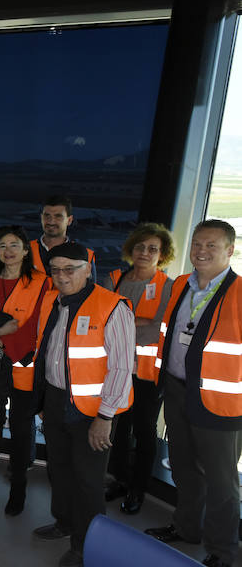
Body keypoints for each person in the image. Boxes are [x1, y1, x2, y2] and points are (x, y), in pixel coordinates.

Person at [144, 220, 242, 567]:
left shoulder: (240, 293)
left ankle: (224, 552)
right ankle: (186, 528)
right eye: (197, 244)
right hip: (176, 389)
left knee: (221, 482)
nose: (201, 251)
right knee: (184, 467)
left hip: (220, 403)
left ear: (230, 250)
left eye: (211, 245)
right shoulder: (183, 285)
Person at [32, 242, 134, 567]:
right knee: (59, 470)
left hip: (93, 410)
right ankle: (64, 523)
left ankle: (86, 545)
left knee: (88, 482)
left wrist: (105, 418)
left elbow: (121, 368)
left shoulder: (112, 306)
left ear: (87, 268)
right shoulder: (54, 301)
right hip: (57, 398)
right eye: (56, 270)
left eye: (70, 269)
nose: (62, 276)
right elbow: (50, 352)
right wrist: (46, 400)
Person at [0, 226, 49, 515]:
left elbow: (38, 325)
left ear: (26, 250)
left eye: (14, 245)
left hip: (24, 362)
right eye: (2, 245)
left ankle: (18, 489)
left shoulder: (42, 283)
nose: (8, 251)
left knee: (20, 427)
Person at [102, 223, 174, 515]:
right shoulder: (115, 279)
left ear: (162, 254)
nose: (145, 253)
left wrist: (126, 322)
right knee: (118, 428)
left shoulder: (169, 285)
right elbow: (103, 317)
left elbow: (159, 324)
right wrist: (137, 321)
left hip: (147, 373)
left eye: (153, 248)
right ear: (131, 249)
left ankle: (138, 489)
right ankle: (120, 479)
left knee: (144, 430)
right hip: (116, 368)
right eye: (140, 247)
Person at [29, 195, 96, 280]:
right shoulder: (23, 251)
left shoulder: (86, 256)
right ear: (41, 217)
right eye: (47, 216)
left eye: (58, 216)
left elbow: (92, 291)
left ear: (69, 220)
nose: (51, 221)